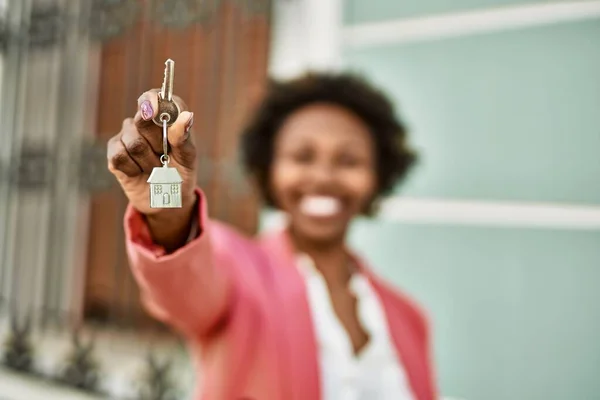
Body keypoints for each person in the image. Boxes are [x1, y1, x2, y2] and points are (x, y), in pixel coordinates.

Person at [107, 72, 437, 400]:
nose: (323, 177)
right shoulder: (236, 272)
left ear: (378, 175)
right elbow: (186, 290)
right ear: (269, 168)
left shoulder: (409, 319)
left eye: (348, 160)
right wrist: (169, 210)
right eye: (302, 157)